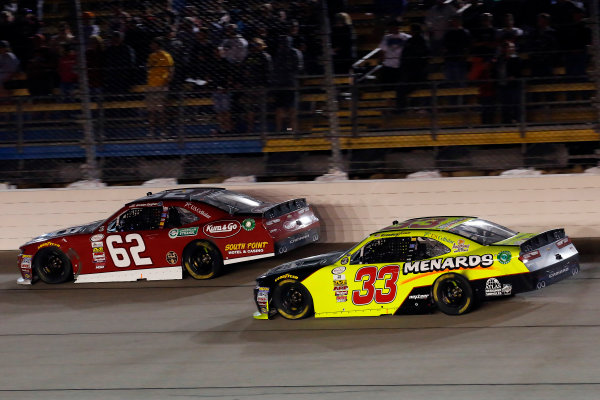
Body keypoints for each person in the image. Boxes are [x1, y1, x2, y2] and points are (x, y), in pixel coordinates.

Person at [271, 35, 303, 133]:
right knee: (286, 109)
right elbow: (299, 68)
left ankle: (284, 130)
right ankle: (286, 130)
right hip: (286, 84)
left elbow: (298, 68)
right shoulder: (286, 53)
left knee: (286, 109)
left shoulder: (285, 53)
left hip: (286, 84)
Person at [240, 37, 272, 133]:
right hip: (250, 86)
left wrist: (264, 85)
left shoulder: (265, 56)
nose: (255, 47)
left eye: (257, 45)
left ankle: (262, 129)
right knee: (250, 108)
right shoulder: (249, 57)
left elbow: (268, 72)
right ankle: (250, 128)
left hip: (260, 86)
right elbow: (243, 70)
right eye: (253, 45)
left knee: (261, 107)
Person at [145, 37, 174, 136]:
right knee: (151, 110)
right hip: (151, 85)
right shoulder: (151, 56)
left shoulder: (166, 55)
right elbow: (149, 68)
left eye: (153, 44)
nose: (151, 46)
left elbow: (171, 69)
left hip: (161, 85)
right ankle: (151, 131)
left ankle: (164, 130)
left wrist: (167, 81)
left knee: (162, 110)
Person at [494, 41, 522, 124]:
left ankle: (516, 120)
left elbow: (518, 71)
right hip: (502, 85)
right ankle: (506, 121)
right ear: (505, 49)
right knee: (504, 104)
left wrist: (513, 76)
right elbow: (496, 70)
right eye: (510, 47)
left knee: (514, 103)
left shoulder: (516, 58)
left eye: (513, 47)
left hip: (513, 85)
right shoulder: (500, 59)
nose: (512, 49)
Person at [378, 20, 411, 84]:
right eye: (389, 28)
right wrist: (381, 60)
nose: (390, 29)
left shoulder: (407, 37)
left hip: (402, 65)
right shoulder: (386, 38)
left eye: (392, 27)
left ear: (397, 27)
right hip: (389, 65)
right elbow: (382, 50)